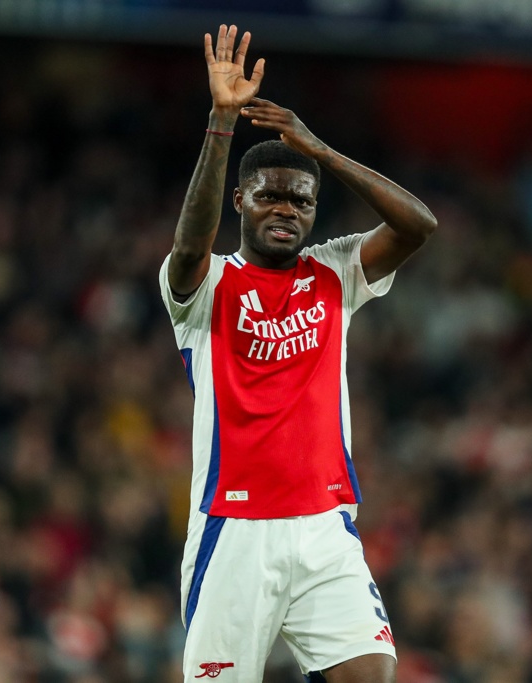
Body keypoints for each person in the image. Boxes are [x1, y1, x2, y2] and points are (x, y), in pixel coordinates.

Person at [159, 24, 437, 683]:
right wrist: (222, 123)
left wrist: (319, 151)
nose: (285, 209)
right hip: (235, 529)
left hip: (324, 525)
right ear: (240, 201)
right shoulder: (207, 285)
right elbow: (190, 245)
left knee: (372, 674)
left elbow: (417, 226)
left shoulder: (334, 270)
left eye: (299, 200)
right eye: (269, 196)